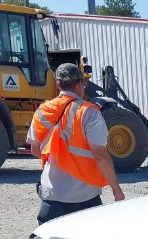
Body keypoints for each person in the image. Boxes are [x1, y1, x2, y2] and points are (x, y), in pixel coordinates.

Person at [27, 63, 125, 224]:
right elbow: (100, 155)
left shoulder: (42, 111)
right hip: (85, 195)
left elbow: (35, 150)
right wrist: (116, 190)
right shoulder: (89, 112)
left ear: (58, 84)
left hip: (52, 194)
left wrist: (59, 159)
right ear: (80, 83)